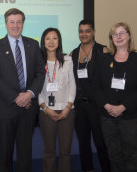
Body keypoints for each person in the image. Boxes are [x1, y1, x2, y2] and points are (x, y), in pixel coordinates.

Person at [0, 8, 45, 172]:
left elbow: (40, 73)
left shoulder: (33, 44)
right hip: (6, 109)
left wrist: (29, 94)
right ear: (5, 24)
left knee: (25, 152)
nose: (15, 25)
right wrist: (16, 97)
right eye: (12, 22)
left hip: (28, 108)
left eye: (19, 22)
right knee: (5, 153)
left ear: (23, 24)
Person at [94, 22, 137, 172]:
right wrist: (107, 106)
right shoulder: (103, 59)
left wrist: (122, 107)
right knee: (113, 154)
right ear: (111, 38)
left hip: (130, 116)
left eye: (122, 33)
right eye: (114, 34)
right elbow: (96, 87)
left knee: (130, 155)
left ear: (129, 36)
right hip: (107, 116)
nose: (118, 37)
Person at [70, 20, 111, 172]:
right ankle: (88, 169)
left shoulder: (103, 51)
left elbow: (110, 79)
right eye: (81, 31)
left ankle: (107, 168)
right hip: (80, 105)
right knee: (83, 142)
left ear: (94, 32)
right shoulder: (74, 54)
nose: (84, 34)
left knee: (101, 142)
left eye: (87, 31)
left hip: (98, 105)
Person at [38, 28, 76, 172]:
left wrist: (68, 107)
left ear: (59, 41)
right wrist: (45, 108)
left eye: (55, 38)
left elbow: (72, 84)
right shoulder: (38, 62)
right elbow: (36, 88)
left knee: (65, 151)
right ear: (43, 41)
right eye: (48, 38)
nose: (51, 41)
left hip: (67, 111)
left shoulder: (67, 60)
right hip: (46, 112)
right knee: (49, 151)